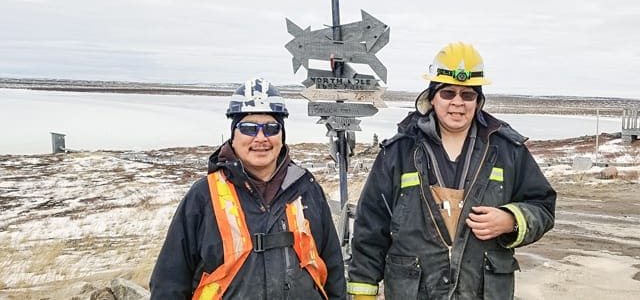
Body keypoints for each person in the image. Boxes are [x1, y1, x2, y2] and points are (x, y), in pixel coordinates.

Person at [346, 42, 556, 299]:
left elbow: (543, 206)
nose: (458, 102)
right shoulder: (399, 152)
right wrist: (362, 293)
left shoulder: (507, 150)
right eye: (448, 93)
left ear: (478, 101)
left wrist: (511, 220)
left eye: (467, 95)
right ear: (432, 97)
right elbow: (371, 228)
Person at [150, 78, 346, 299]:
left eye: (271, 128)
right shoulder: (203, 196)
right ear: (234, 135)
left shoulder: (307, 189)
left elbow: (334, 273)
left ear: (282, 135)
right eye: (249, 128)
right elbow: (169, 283)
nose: (261, 138)